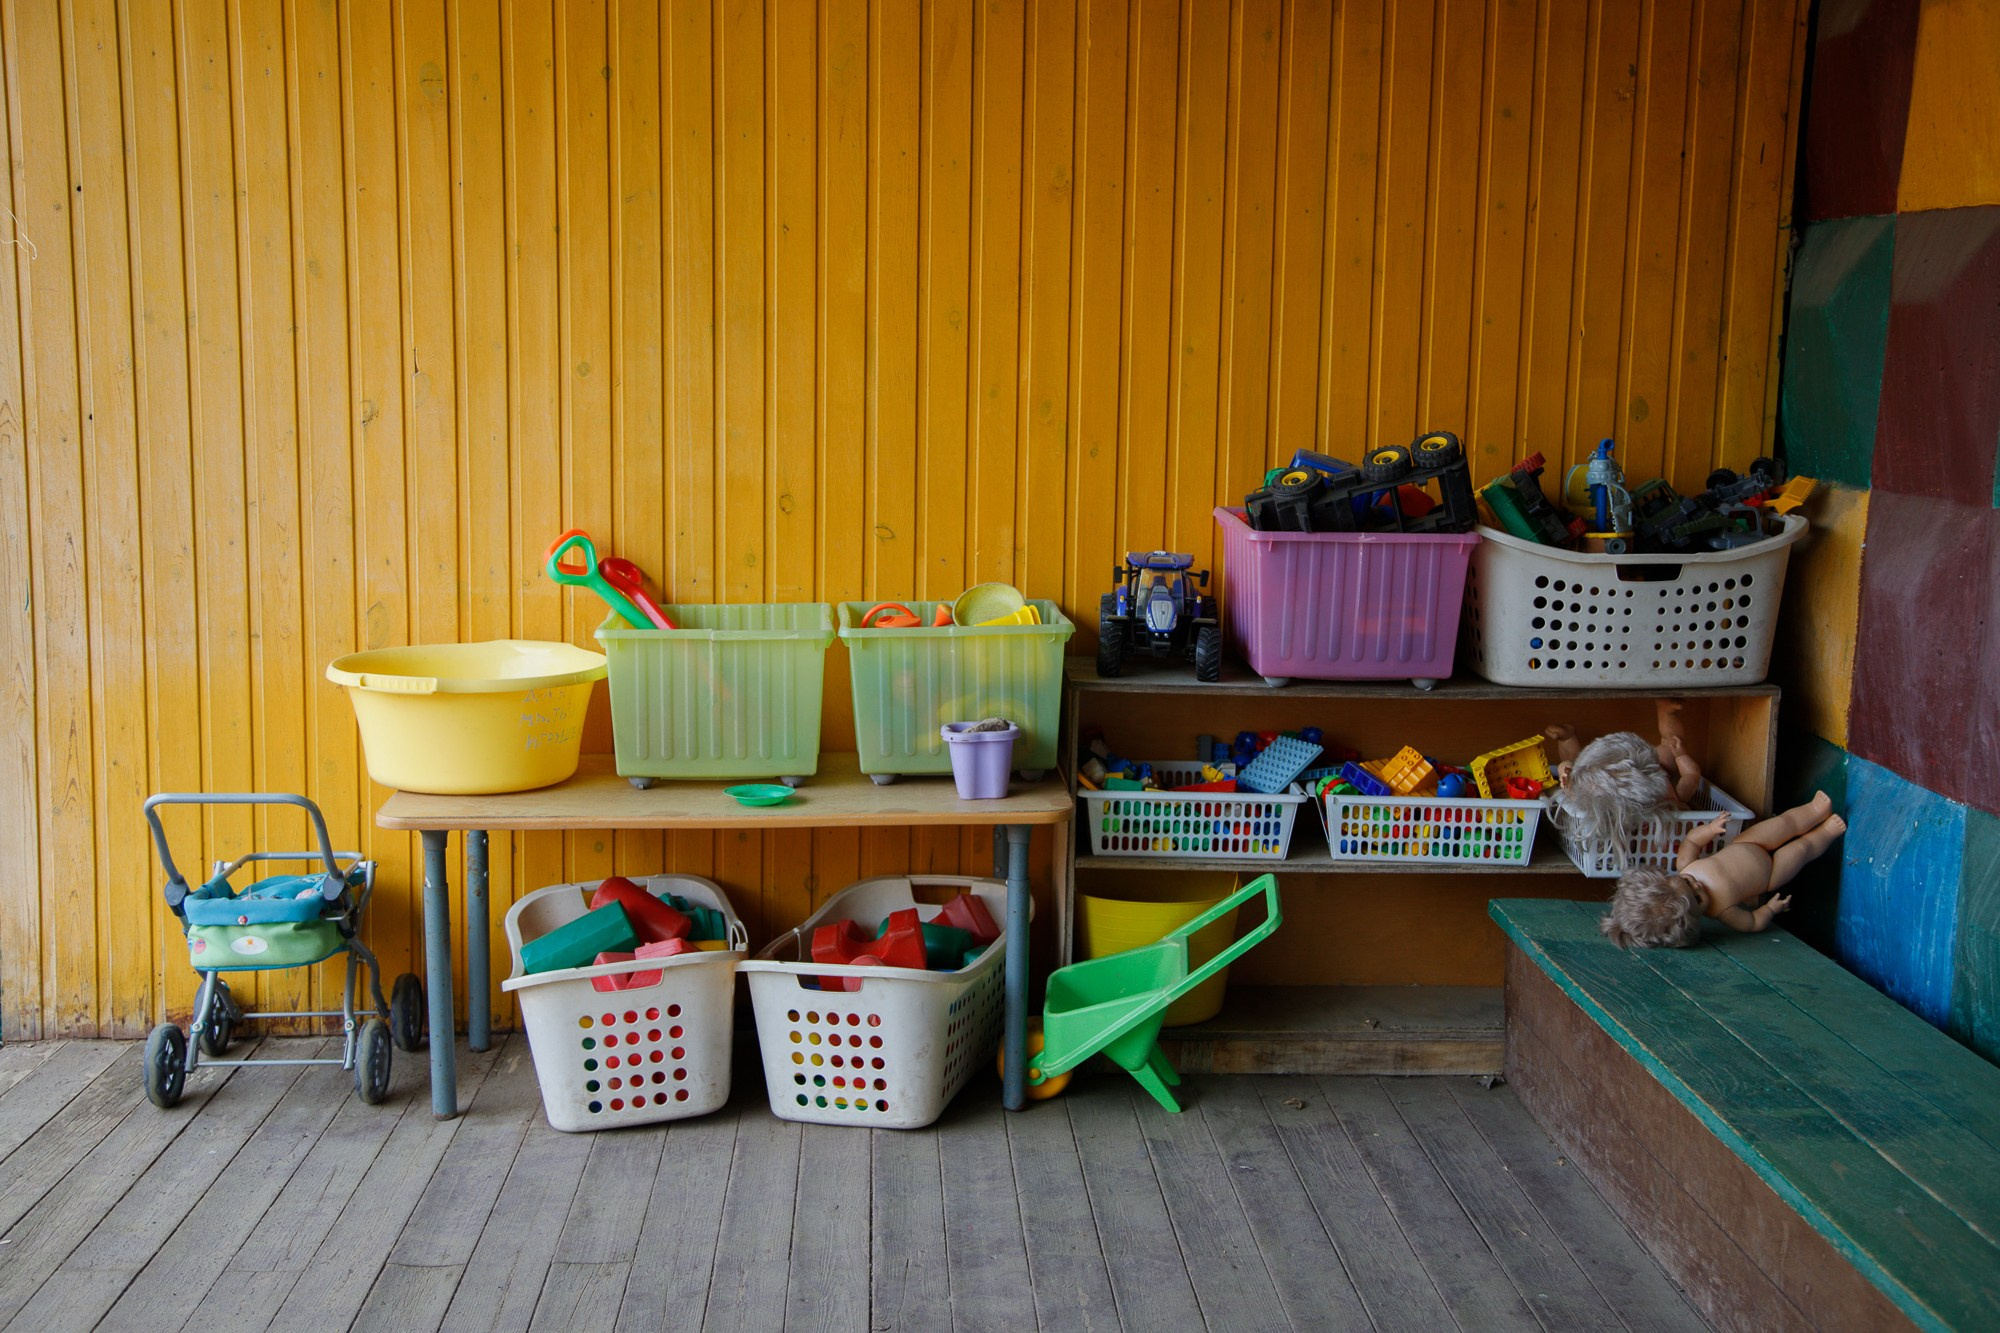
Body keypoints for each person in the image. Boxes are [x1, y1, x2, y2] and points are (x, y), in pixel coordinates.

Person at [1600, 790, 1846, 949]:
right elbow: (1751, 923)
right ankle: (1825, 833)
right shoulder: (1723, 910)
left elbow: (1692, 841)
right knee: (1802, 850)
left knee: (1784, 823)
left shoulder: (1686, 864)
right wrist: (1769, 909)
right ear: (1692, 921)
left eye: (1685, 880)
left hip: (1747, 844)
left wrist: (1710, 829)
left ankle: (1814, 810)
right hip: (1770, 874)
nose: (1697, 885)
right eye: (1697, 897)